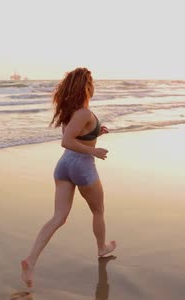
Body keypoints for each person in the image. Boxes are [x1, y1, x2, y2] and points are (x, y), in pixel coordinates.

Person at [20, 67, 116, 288]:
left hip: (64, 166)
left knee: (58, 217)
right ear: (86, 87)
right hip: (82, 166)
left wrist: (96, 133)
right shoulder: (82, 112)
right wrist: (95, 151)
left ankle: (31, 259)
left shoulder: (70, 111)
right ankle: (102, 248)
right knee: (98, 210)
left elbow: (76, 136)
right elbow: (66, 141)